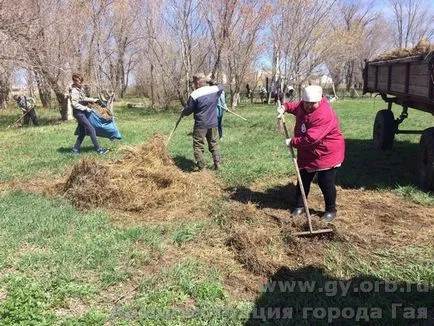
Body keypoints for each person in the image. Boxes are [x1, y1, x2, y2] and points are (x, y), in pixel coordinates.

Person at [278, 85, 345, 222]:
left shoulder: (324, 114)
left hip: (326, 153)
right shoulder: (304, 105)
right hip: (308, 152)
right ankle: (299, 206)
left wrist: (292, 142)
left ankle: (331, 210)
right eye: (306, 102)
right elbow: (297, 107)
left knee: (325, 182)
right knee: (303, 179)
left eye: (312, 103)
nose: (308, 106)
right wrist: (284, 107)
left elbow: (311, 138)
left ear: (320, 100)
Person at [181, 73, 224, 171]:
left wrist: (183, 112)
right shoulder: (214, 89)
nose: (193, 85)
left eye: (194, 83)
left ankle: (202, 168)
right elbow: (221, 86)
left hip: (201, 124)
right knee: (213, 143)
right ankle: (218, 164)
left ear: (197, 82)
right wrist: (210, 81)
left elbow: (188, 110)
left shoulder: (194, 94)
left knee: (198, 146)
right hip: (213, 123)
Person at [69, 73, 108, 155]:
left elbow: (83, 98)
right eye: (78, 82)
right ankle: (99, 150)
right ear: (74, 81)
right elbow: (74, 104)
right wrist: (86, 108)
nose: (80, 83)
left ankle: (74, 150)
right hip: (78, 113)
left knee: (82, 133)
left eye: (81, 81)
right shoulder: (74, 91)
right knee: (91, 129)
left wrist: (95, 100)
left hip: (81, 112)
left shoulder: (80, 88)